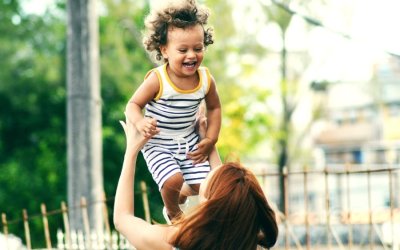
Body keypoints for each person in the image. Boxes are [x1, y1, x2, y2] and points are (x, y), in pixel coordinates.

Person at [114, 115, 279, 250]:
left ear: (209, 204)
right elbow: (226, 195)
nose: (204, 174)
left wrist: (131, 151)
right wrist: (207, 141)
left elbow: (122, 218)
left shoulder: (175, 241)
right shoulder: (251, 243)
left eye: (206, 177)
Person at [125, 0, 221, 222]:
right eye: (183, 50)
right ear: (164, 50)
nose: (191, 55)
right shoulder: (158, 80)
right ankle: (173, 214)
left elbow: (215, 108)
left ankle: (181, 195)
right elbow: (132, 105)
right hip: (158, 143)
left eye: (198, 48)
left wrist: (211, 139)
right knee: (172, 181)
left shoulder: (206, 79)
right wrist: (140, 122)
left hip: (187, 140)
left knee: (203, 186)